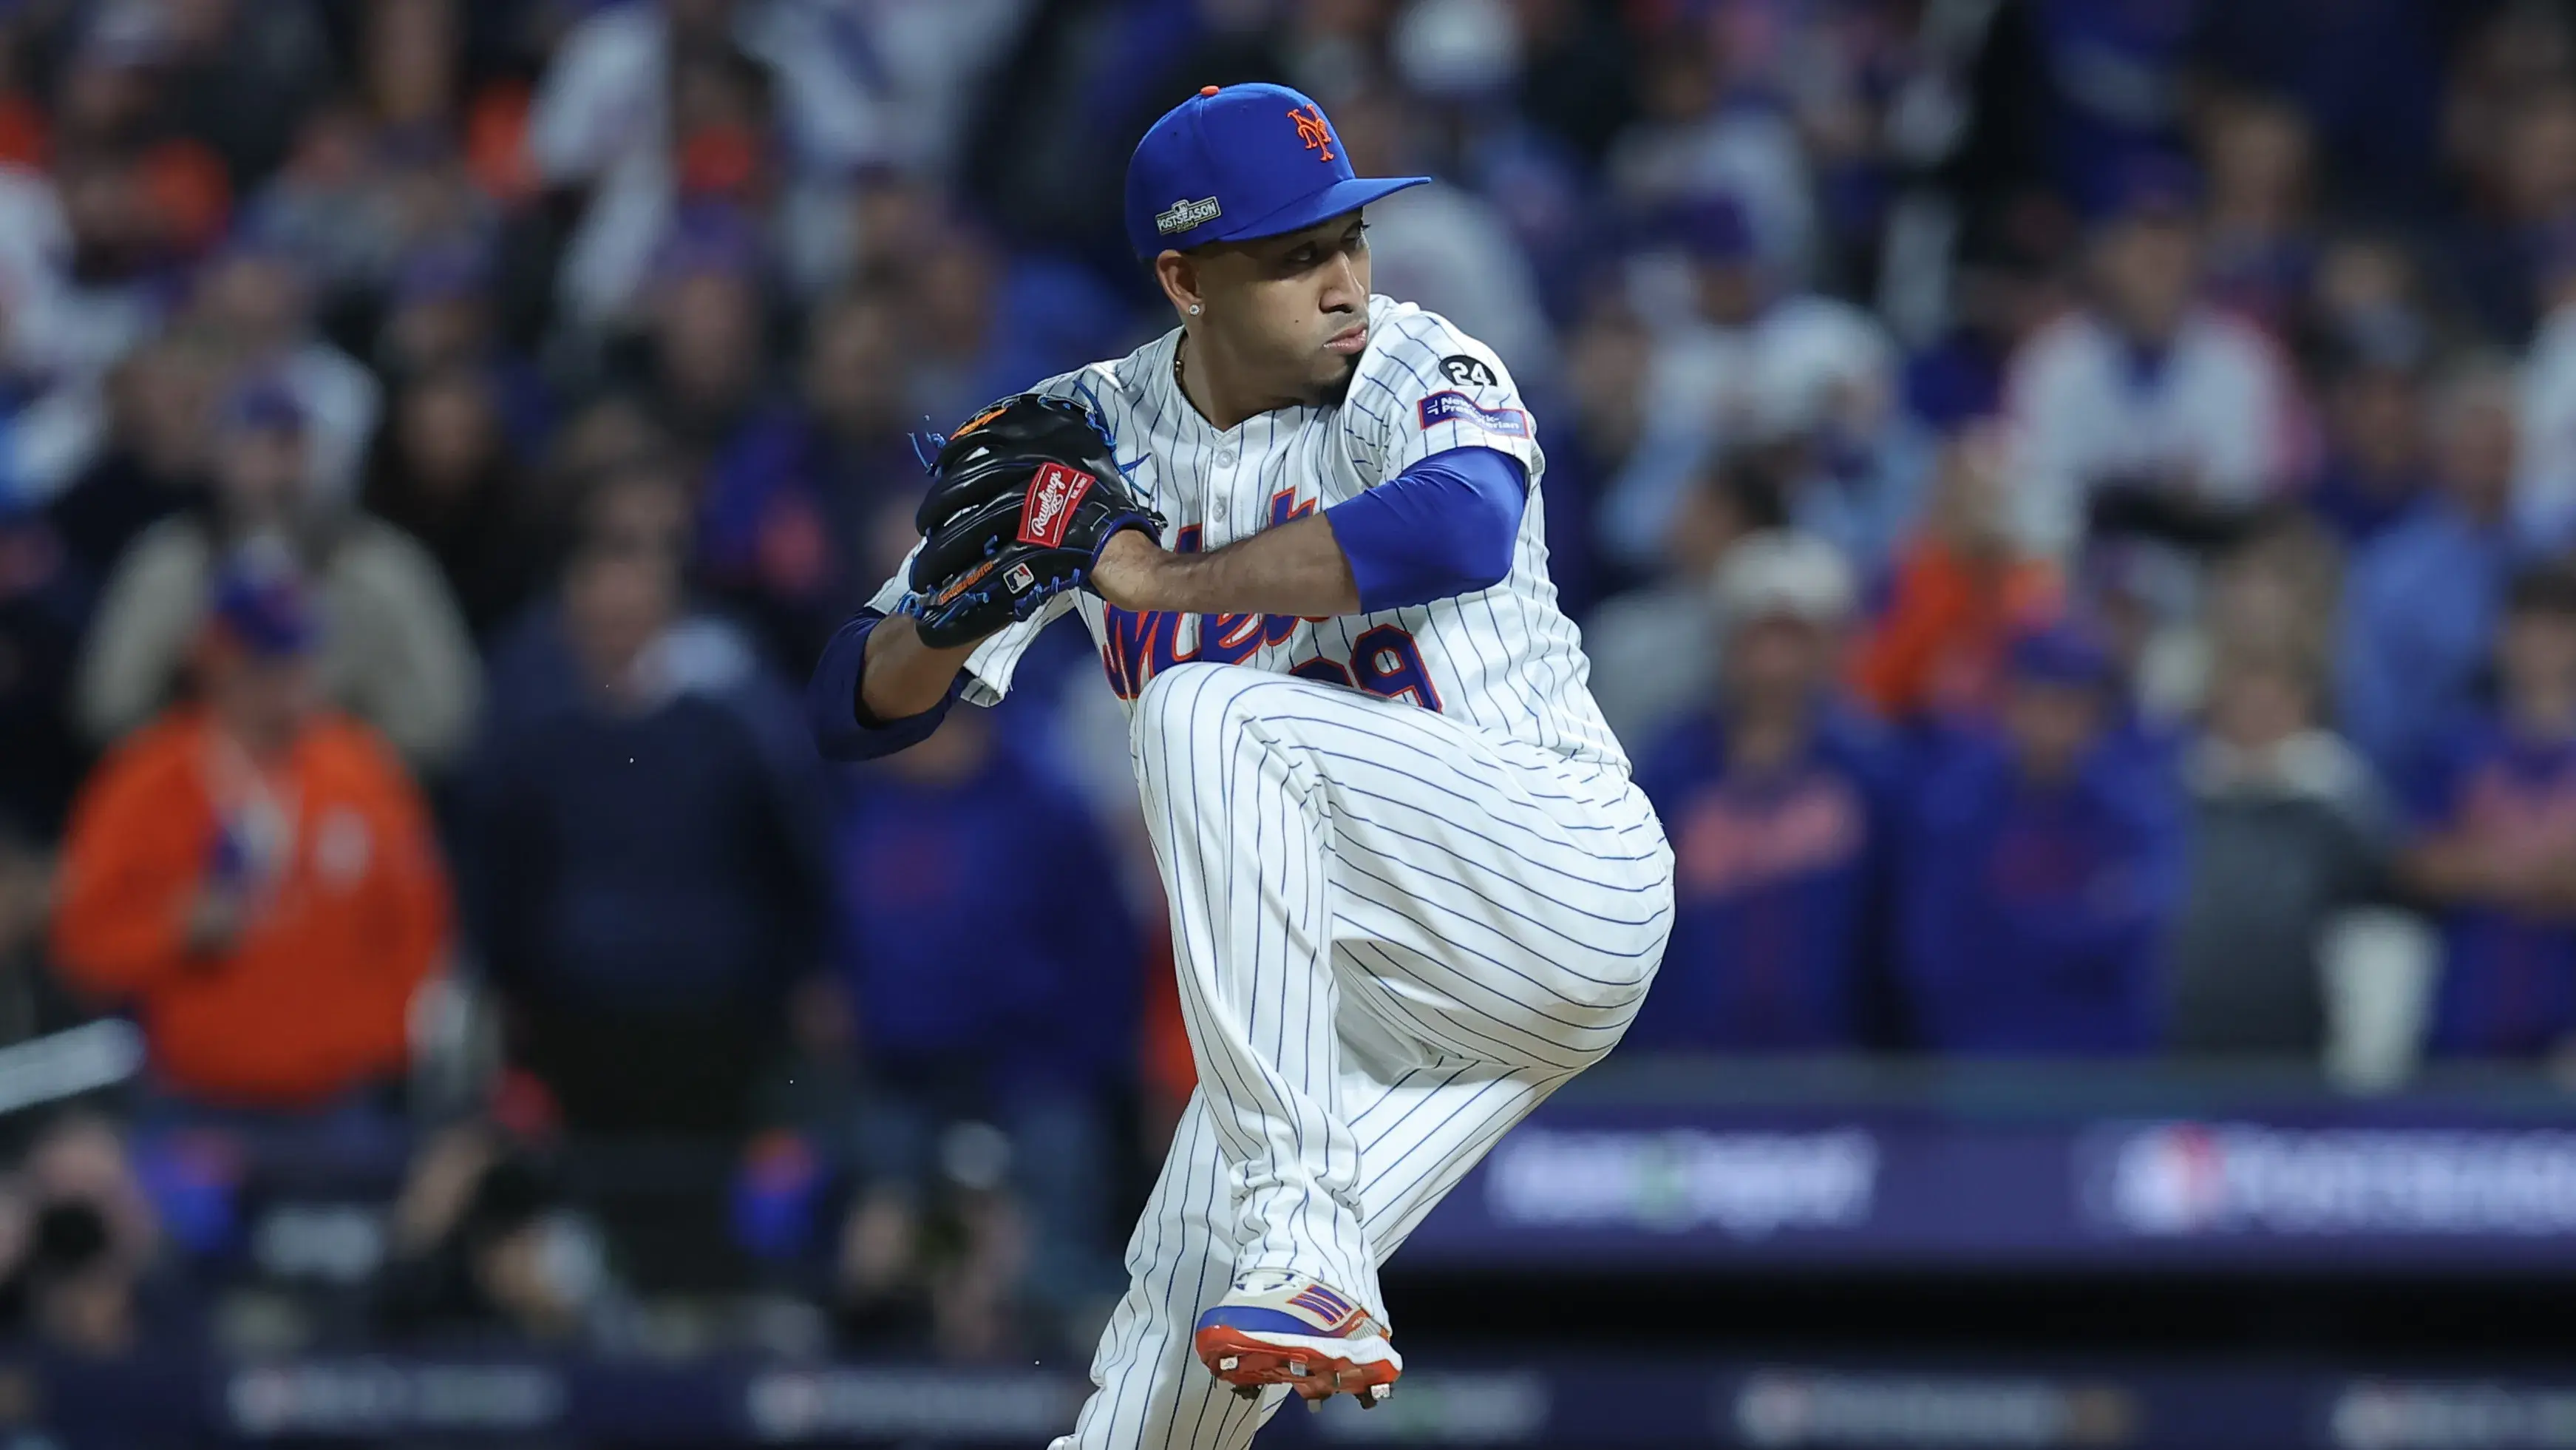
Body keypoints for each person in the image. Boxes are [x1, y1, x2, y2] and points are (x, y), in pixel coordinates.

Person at [809, 84, 1673, 1442]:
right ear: (1184, 278)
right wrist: (965, 604)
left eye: (1350, 238)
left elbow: (1458, 526)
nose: (1343, 281)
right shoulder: (1089, 431)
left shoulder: (1413, 361)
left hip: (1548, 880)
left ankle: (1315, 1265)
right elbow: (854, 703)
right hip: (1359, 998)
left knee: (1202, 714)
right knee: (1167, 1352)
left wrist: (1150, 574)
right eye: (1291, 255)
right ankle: (1301, 1267)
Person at [50, 552, 452, 1111]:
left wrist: (384, 1042)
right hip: (190, 1095)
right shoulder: (143, 782)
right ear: (218, 661)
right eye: (266, 664)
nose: (289, 686)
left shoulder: (362, 774)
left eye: (299, 661)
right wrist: (175, 930)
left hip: (340, 1099)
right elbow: (83, 942)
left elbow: (419, 924)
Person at [73, 376, 483, 772]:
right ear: (220, 454)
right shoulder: (169, 563)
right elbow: (109, 706)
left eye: (291, 445)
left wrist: (327, 757)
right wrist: (212, 748)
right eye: (252, 444)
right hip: (197, 792)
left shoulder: (383, 568)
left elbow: (442, 718)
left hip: (348, 796)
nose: (273, 470)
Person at [1631, 534, 1896, 1052]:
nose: (1774, 660)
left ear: (1831, 645)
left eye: (1795, 637)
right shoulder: (1670, 768)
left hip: (1838, 1071)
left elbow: (1893, 934)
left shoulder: (1874, 771)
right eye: (1757, 635)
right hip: (1681, 1070)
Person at [1895, 623, 2182, 1055]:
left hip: (2103, 1057)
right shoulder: (1957, 804)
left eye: (2071, 706)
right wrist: (2084, 915)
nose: (2055, 724)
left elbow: (2140, 937)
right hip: (1981, 1052)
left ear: (2096, 716)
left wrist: (2007, 921)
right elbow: (1934, 951)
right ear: (2011, 705)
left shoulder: (2137, 808)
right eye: (2041, 702)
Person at [2168, 649, 2388, 1056]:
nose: (2256, 722)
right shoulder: (2177, 793)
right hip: (2191, 1017)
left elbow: (2377, 887)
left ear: (2301, 711)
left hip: (2297, 1017)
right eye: (2244, 706)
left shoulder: (2335, 797)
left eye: (2271, 707)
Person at [2398, 564, 2576, 1058]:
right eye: (2525, 628)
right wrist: (2535, 872)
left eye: (2557, 630)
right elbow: (2417, 863)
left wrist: (2486, 865)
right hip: (2469, 1007)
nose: (2539, 647)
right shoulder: (2455, 742)